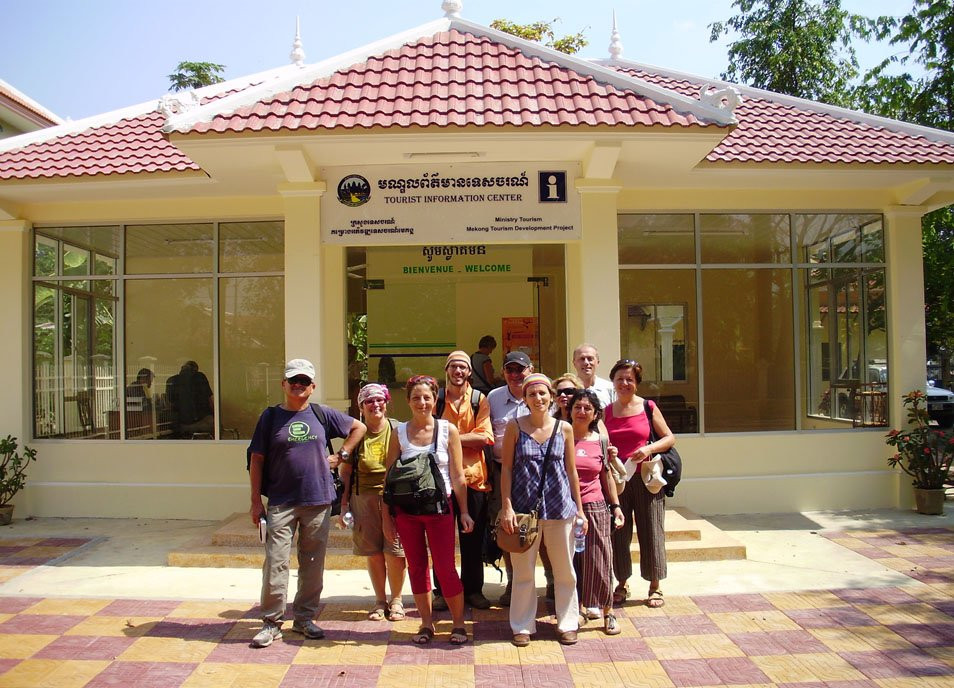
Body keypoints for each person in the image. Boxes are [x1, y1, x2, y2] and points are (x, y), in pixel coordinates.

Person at [248, 359, 367, 648]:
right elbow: (257, 459)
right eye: (293, 380)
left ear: (312, 387)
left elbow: (359, 427)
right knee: (276, 562)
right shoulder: (270, 417)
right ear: (283, 384)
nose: (298, 385)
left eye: (304, 381)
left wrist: (343, 455)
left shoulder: (321, 413)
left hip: (317, 500)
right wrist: (255, 501)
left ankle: (304, 618)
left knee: (312, 563)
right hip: (281, 502)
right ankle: (271, 622)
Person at [384, 375, 474, 645]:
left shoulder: (449, 430)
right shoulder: (399, 432)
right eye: (416, 398)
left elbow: (458, 476)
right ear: (408, 401)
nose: (422, 402)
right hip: (406, 511)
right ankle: (425, 624)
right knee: (417, 567)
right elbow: (389, 477)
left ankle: (458, 624)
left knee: (445, 567)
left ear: (436, 400)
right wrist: (387, 518)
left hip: (440, 509)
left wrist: (465, 511)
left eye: (427, 397)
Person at [499, 373, 586, 647]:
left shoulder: (565, 428)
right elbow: (507, 469)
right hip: (524, 511)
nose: (538, 398)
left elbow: (571, 471)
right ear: (524, 399)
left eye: (542, 393)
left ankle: (568, 623)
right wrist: (507, 506)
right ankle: (522, 625)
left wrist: (580, 509)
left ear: (551, 396)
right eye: (532, 394)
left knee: (564, 570)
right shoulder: (515, 427)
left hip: (560, 508)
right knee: (523, 571)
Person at [605, 359, 675, 609]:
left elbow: (669, 438)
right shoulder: (606, 412)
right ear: (613, 382)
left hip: (646, 478)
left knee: (652, 531)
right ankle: (621, 583)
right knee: (618, 533)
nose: (624, 383)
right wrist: (609, 451)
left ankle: (655, 585)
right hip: (618, 480)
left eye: (630, 380)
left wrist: (648, 447)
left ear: (636, 383)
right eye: (620, 379)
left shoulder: (648, 406)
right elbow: (600, 443)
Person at [487, 351, 554, 605]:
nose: (515, 375)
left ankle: (550, 580)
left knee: (544, 528)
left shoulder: (542, 393)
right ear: (503, 372)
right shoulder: (493, 398)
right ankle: (514, 582)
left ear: (530, 369)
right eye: (510, 370)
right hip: (502, 471)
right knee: (508, 527)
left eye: (520, 369)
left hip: (537, 473)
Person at [337, 383, 407, 622]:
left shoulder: (398, 429)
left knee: (395, 551)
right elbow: (345, 472)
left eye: (380, 400)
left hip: (394, 498)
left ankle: (396, 600)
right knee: (374, 552)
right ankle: (380, 601)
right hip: (362, 498)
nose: (375, 405)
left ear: (386, 403)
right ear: (361, 406)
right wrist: (344, 505)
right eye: (369, 401)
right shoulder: (356, 433)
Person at [431, 351, 494, 611]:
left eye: (463, 368)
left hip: (474, 478)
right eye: (454, 367)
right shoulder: (437, 398)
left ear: (469, 372)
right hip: (442, 479)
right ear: (447, 370)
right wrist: (464, 437)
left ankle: (473, 590)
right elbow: (429, 433)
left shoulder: (480, 399)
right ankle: (442, 591)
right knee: (441, 539)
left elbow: (486, 436)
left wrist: (451, 437)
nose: (458, 372)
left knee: (472, 537)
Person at [568, 389, 624, 633]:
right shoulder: (561, 435)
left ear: (595, 414)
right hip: (566, 507)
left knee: (600, 559)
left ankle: (608, 611)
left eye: (587, 408)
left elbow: (606, 475)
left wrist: (616, 506)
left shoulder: (600, 440)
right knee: (573, 561)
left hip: (595, 505)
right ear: (569, 410)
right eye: (577, 407)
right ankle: (579, 608)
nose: (582, 412)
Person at [166, 360, 214, 438]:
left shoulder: (171, 380)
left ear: (181, 369)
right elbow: (210, 401)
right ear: (195, 370)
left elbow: (169, 404)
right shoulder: (200, 377)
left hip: (179, 424)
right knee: (214, 423)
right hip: (200, 422)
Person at [572, 344, 616, 410]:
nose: (586, 362)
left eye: (590, 359)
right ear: (574, 363)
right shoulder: (568, 389)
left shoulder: (610, 389)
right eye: (582, 359)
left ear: (597, 362)